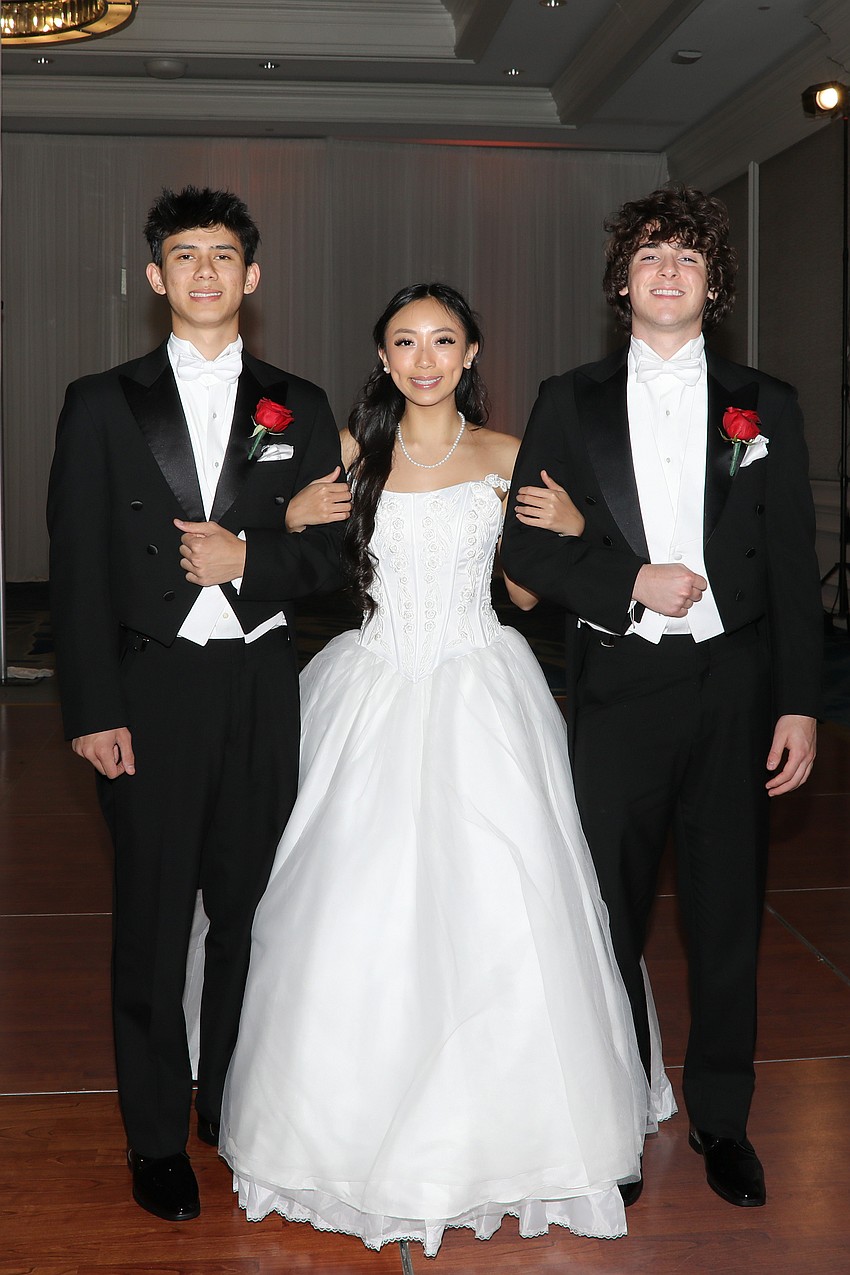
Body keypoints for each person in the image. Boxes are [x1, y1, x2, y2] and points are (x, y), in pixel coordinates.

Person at [219, 283, 674, 1260]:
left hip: (480, 688)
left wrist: (564, 534)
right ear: (381, 358)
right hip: (371, 686)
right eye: (403, 342)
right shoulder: (349, 454)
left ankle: (523, 1129)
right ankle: (337, 1125)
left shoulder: (511, 456)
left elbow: (521, 590)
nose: (423, 358)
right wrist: (291, 514)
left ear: (471, 354)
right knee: (349, 906)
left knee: (512, 900)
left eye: (442, 341)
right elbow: (276, 547)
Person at [501, 185, 822, 1209]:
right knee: (607, 917)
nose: (669, 271)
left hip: (735, 688)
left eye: (687, 256)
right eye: (649, 257)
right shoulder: (567, 399)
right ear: (621, 283)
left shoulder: (766, 403)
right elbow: (520, 554)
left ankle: (721, 1121)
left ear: (713, 283)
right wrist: (626, 583)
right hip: (621, 689)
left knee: (727, 918)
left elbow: (785, 566)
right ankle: (615, 1118)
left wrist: (799, 702)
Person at [46, 186, 348, 1223]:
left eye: (224, 255)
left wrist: (250, 556)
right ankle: (151, 1136)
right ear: (155, 276)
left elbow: (330, 559)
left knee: (246, 916)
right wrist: (90, 706)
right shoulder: (100, 400)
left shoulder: (300, 405)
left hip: (263, 687)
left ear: (252, 277)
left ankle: (227, 1098)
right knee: (151, 918)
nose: (206, 272)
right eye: (186, 255)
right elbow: (79, 563)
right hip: (149, 689)